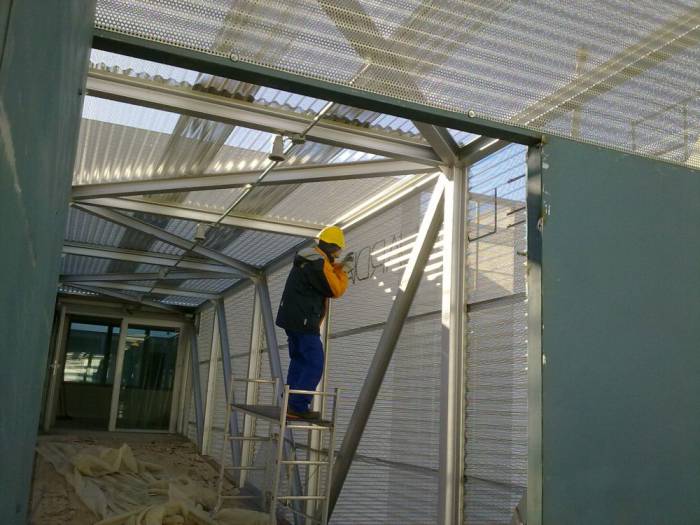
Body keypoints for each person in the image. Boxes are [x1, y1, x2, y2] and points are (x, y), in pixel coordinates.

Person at [276, 226, 352, 419]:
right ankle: (298, 407)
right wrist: (344, 272)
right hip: (304, 321)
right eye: (338, 250)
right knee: (314, 363)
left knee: (300, 361)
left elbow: (324, 272)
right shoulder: (317, 263)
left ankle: (290, 404)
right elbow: (335, 289)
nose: (338, 254)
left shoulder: (310, 258)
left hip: (293, 319)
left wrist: (336, 266)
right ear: (332, 247)